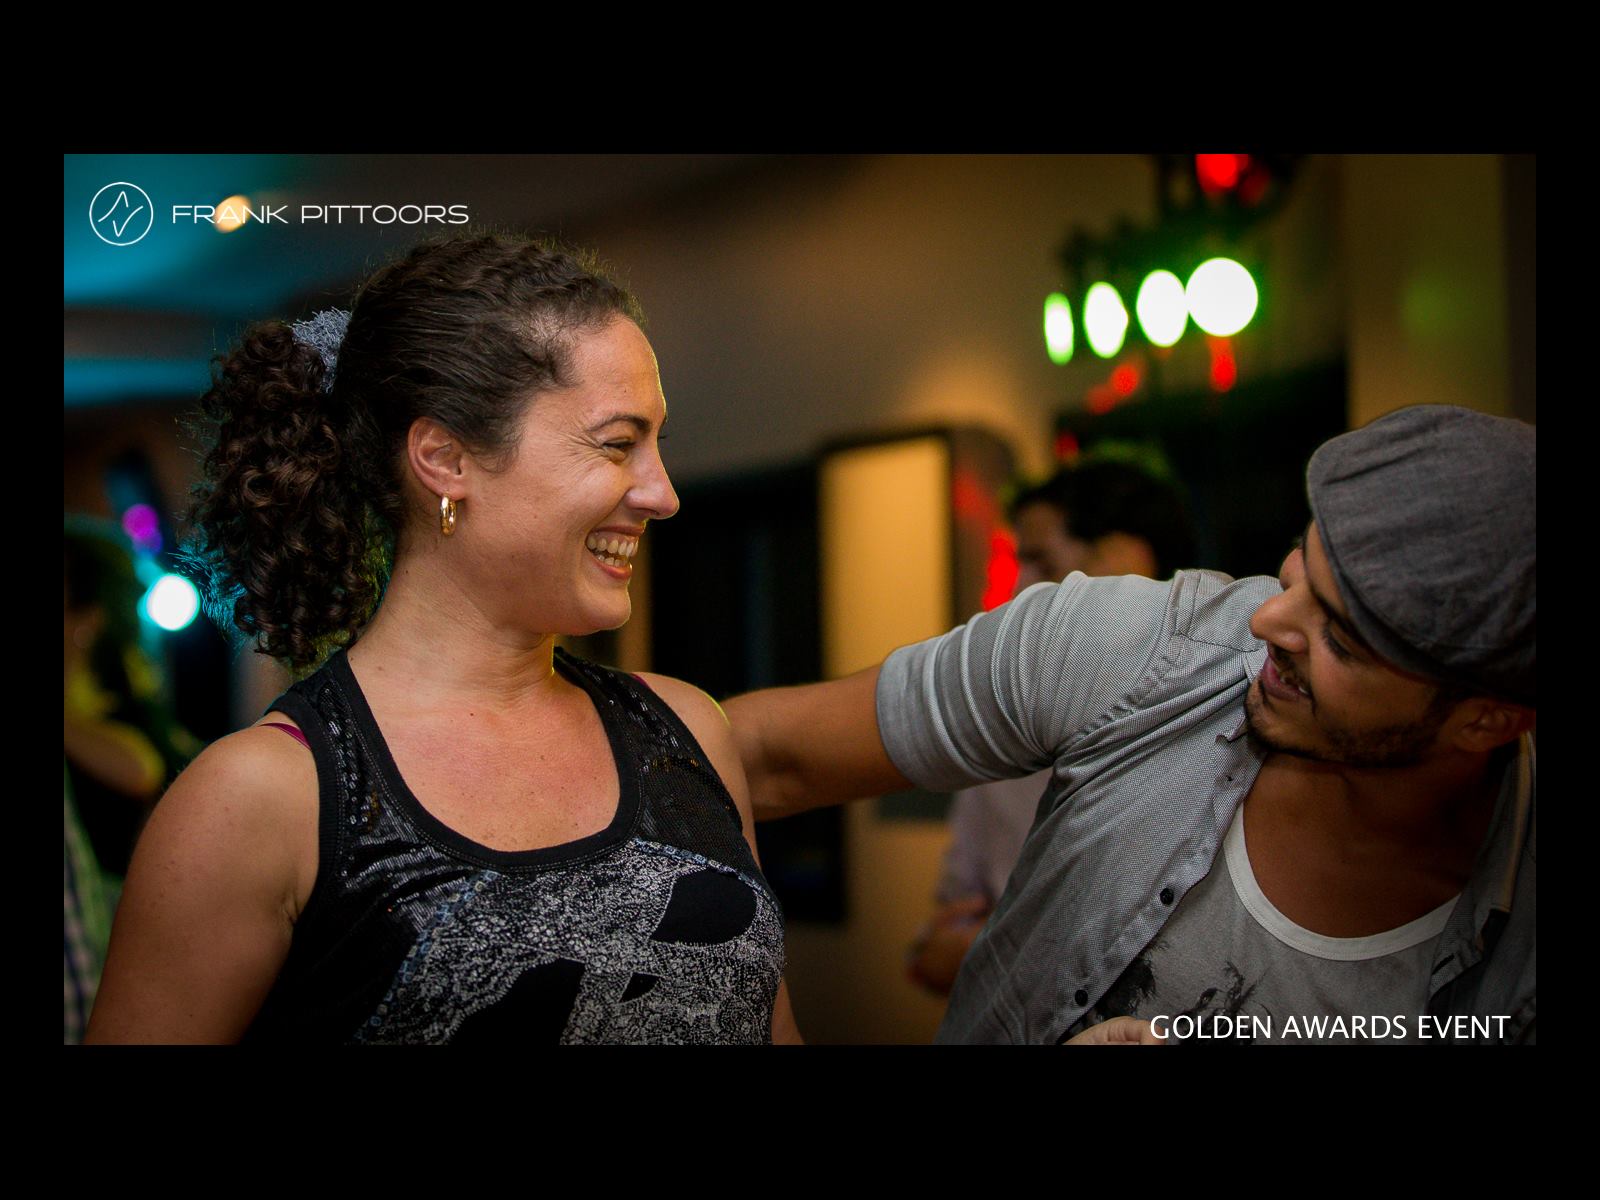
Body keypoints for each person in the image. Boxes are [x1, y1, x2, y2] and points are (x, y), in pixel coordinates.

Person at [87, 234, 799, 1044]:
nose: (662, 494)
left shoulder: (687, 731)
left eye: (655, 446)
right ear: (445, 458)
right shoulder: (262, 798)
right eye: (615, 444)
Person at [730, 406, 1534, 1044]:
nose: (1268, 621)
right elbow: (756, 754)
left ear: (1486, 719)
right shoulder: (1135, 648)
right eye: (1298, 566)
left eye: (1341, 640)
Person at [909, 457, 1195, 995]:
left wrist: (992, 956)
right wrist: (943, 948)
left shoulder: (1213, 741)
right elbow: (948, 927)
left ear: (1124, 561)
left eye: (1041, 561)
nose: (1020, 588)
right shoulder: (1000, 737)